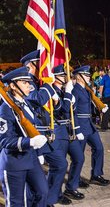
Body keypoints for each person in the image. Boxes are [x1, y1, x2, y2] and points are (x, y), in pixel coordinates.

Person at [20, 50, 70, 206]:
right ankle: (35, 201)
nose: (44, 66)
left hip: (47, 131)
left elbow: (57, 109)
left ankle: (49, 199)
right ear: (31, 64)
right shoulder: (26, 82)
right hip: (34, 133)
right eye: (40, 63)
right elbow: (36, 99)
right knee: (33, 175)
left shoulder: (40, 82)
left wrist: (59, 99)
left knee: (61, 164)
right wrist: (49, 87)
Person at [0, 67, 48, 206]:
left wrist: (38, 151)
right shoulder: (5, 109)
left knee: (42, 192)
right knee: (17, 202)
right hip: (14, 161)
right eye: (24, 82)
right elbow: (4, 140)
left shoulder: (25, 103)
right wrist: (30, 142)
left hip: (31, 157)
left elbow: (32, 127)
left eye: (29, 82)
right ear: (13, 86)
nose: (29, 85)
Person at [72, 65, 110, 186]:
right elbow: (73, 112)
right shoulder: (74, 91)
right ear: (78, 77)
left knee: (99, 148)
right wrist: (76, 129)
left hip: (89, 124)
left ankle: (96, 174)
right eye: (86, 75)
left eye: (89, 75)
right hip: (81, 126)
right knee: (78, 155)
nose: (89, 77)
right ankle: (75, 179)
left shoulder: (87, 90)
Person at [52, 64, 86, 200]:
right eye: (61, 75)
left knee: (79, 158)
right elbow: (63, 110)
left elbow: (73, 112)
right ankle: (56, 194)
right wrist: (68, 94)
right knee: (60, 165)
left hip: (69, 130)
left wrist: (76, 129)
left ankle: (71, 187)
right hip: (59, 131)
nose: (65, 77)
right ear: (54, 77)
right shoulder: (52, 92)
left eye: (65, 75)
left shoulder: (63, 91)